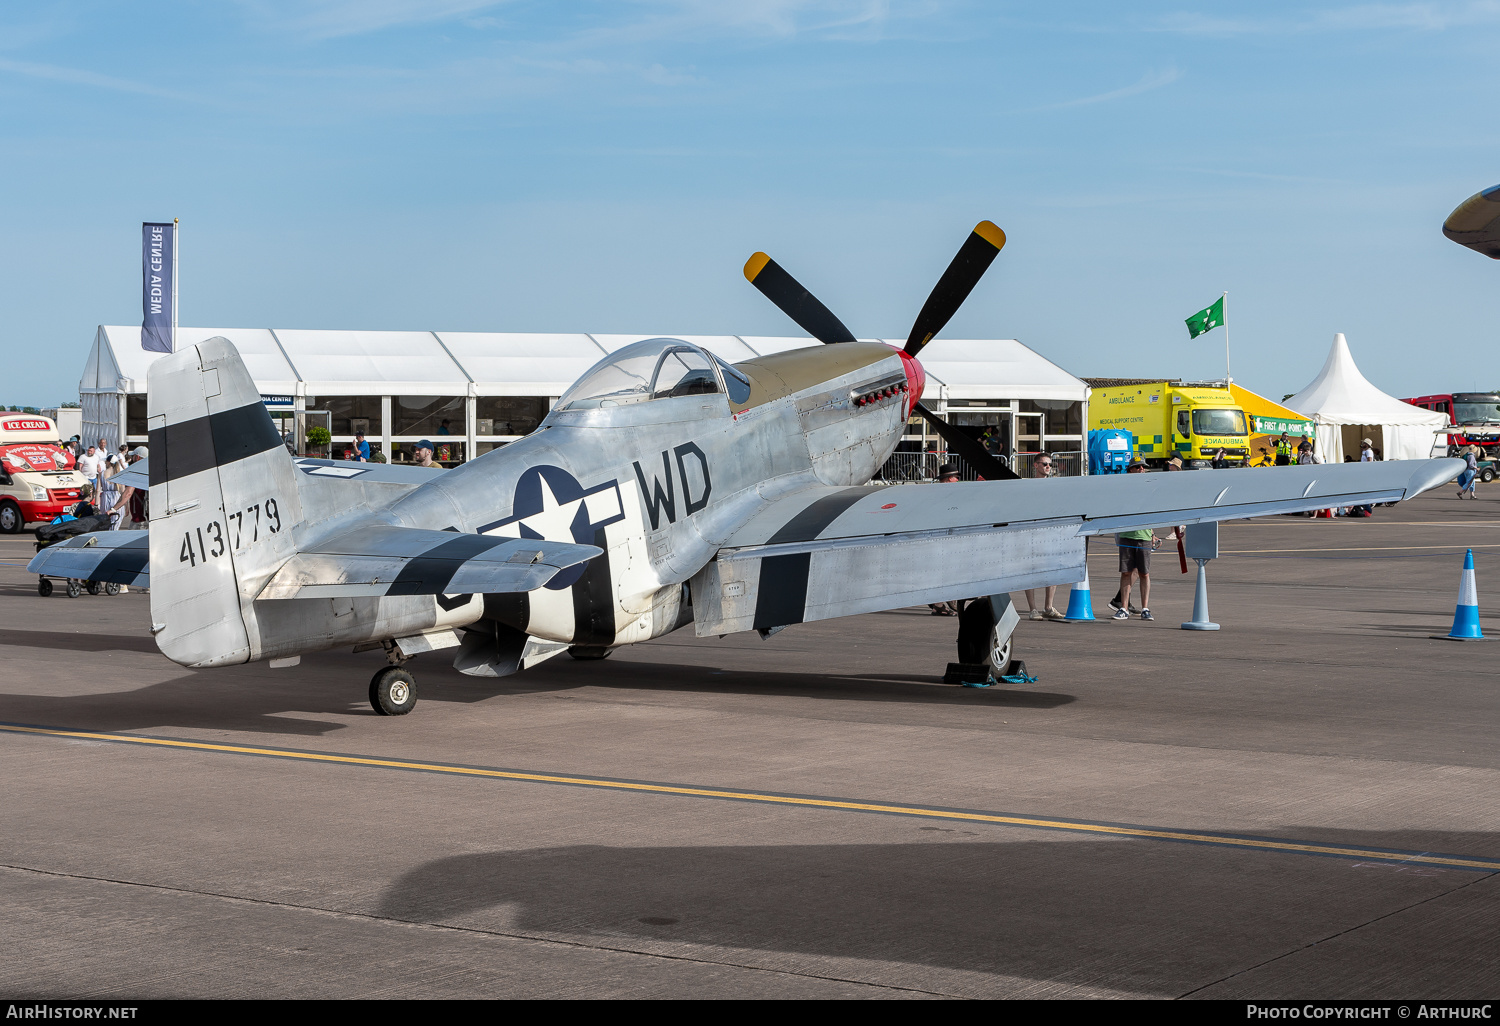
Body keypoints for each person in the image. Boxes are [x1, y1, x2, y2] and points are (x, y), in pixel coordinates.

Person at [1023, 454, 1065, 621]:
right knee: (1030, 570)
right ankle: (1032, 609)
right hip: (1032, 532)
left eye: (1050, 464)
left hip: (1050, 531)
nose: (1048, 467)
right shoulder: (1029, 486)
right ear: (1036, 465)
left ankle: (1048, 606)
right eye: (1045, 464)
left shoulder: (1053, 486)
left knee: (1053, 568)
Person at [1113, 459, 1156, 621]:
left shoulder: (1149, 488)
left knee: (1144, 573)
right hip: (1126, 535)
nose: (1141, 469)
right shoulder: (1124, 488)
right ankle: (1123, 607)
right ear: (1130, 470)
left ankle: (1145, 608)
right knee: (1126, 572)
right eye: (1137, 467)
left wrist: (1152, 533)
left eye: (1143, 467)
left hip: (1144, 536)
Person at [929, 464, 963, 616]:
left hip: (936, 538)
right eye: (956, 478)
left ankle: (939, 602)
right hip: (943, 538)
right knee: (944, 570)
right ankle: (939, 603)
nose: (957, 481)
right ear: (950, 478)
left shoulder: (934, 493)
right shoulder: (947, 495)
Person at [108, 447, 149, 530]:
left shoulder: (137, 472)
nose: (131, 458)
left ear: (137, 457)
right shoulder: (150, 470)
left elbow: (128, 493)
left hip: (138, 521)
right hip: (149, 519)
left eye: (133, 456)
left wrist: (113, 509)